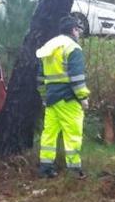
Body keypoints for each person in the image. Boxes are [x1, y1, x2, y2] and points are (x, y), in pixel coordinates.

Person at [36, 15, 90, 179]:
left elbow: (40, 77)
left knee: (49, 134)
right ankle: (74, 170)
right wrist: (83, 97)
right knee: (72, 133)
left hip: (52, 99)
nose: (79, 33)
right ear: (74, 30)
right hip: (68, 98)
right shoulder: (72, 48)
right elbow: (76, 77)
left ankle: (46, 168)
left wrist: (45, 96)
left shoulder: (48, 47)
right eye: (78, 30)